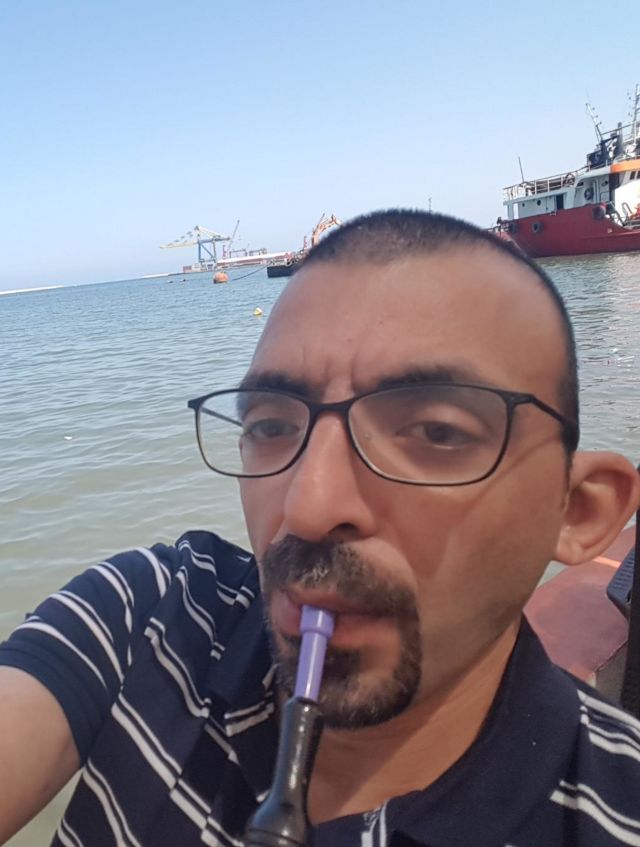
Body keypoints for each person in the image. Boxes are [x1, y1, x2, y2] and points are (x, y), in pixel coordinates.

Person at [1, 209, 639, 847]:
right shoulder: (154, 617)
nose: (306, 508)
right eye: (271, 426)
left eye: (436, 431)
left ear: (576, 510)